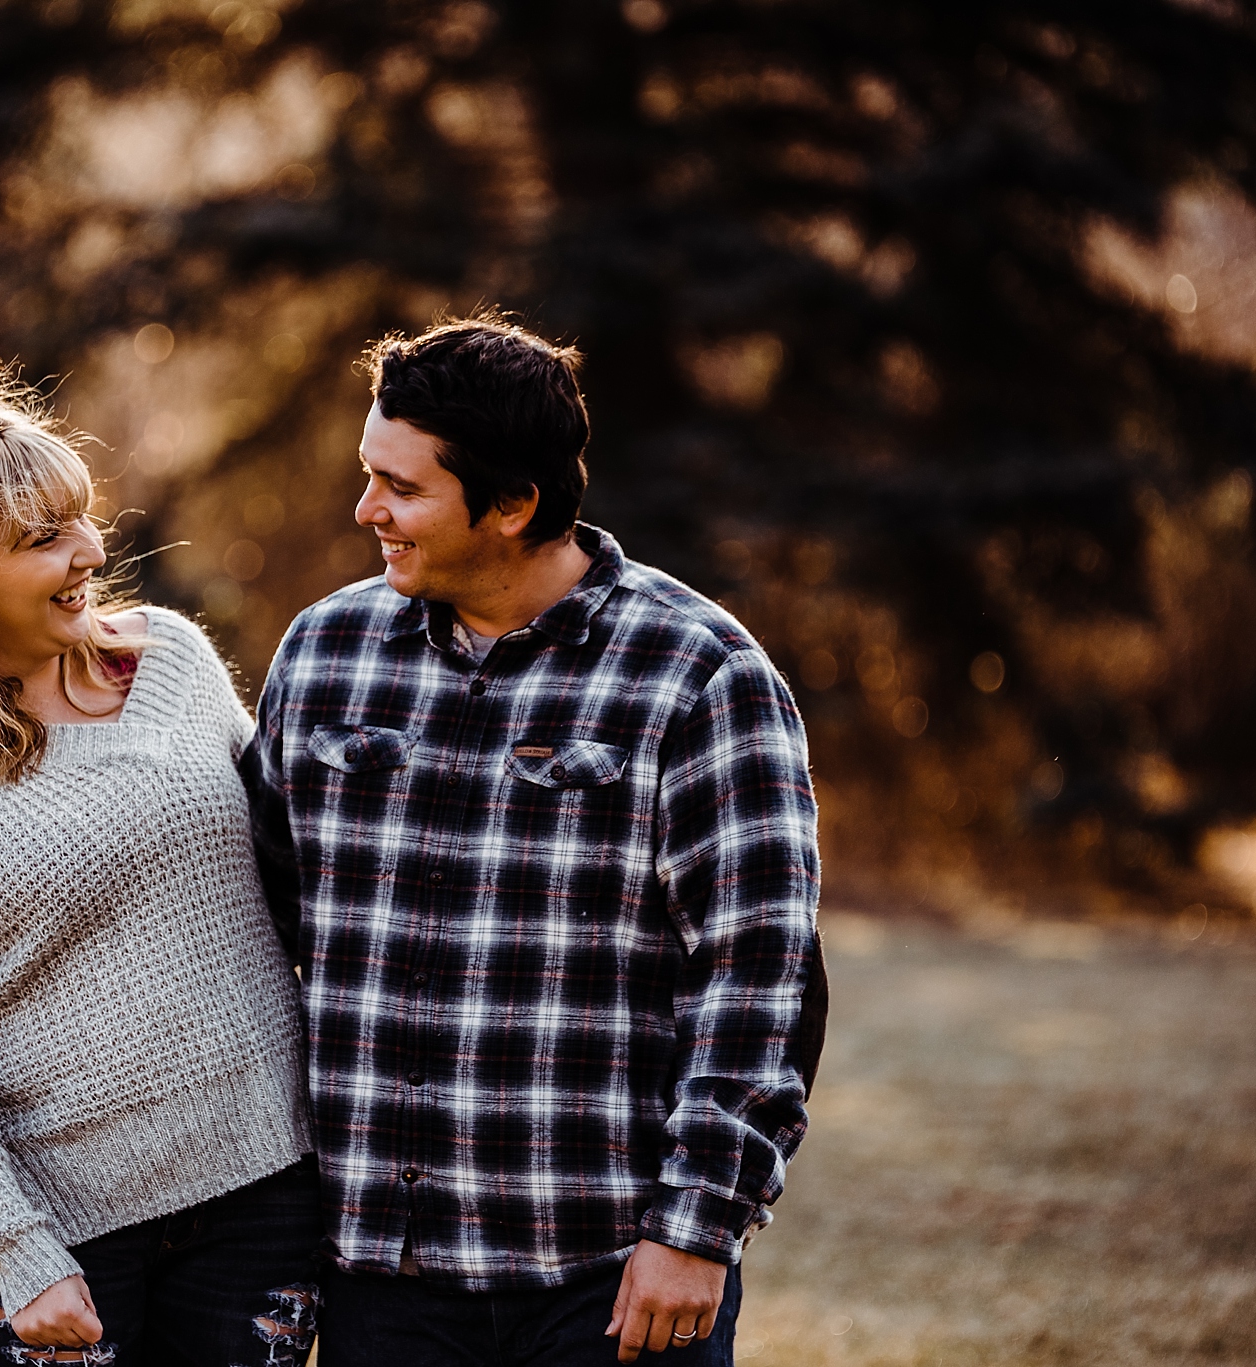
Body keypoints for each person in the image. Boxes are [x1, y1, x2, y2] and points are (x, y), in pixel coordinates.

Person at [241, 316, 827, 1367]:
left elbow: (759, 977)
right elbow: (255, 923)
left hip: (607, 1279)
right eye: (369, 474)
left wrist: (695, 1228)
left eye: (400, 487)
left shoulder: (699, 673)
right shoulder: (323, 653)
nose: (365, 509)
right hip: (381, 1278)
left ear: (512, 504)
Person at [0, 359, 320, 1367]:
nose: (91, 549)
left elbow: (292, 882)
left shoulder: (171, 661)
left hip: (263, 1197)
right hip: (64, 1237)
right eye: (44, 537)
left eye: (82, 517)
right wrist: (13, 1246)